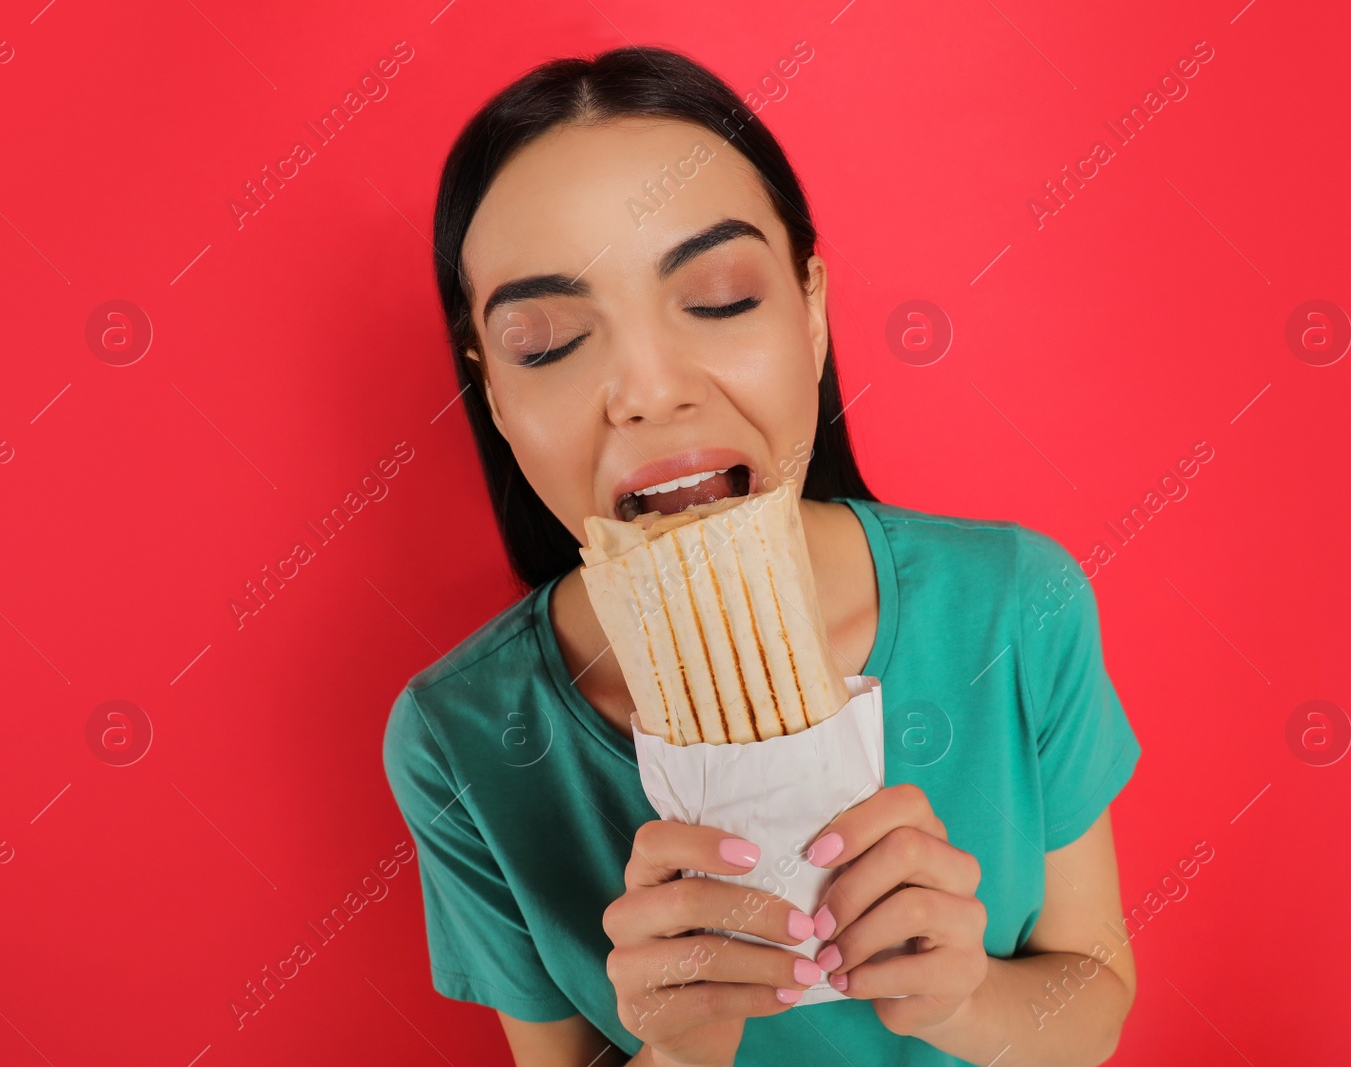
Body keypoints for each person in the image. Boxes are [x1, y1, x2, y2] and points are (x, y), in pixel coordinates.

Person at [383, 44, 1142, 1067]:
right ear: (494, 395)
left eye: (722, 295)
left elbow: (1094, 999)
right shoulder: (460, 735)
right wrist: (681, 1049)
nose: (648, 387)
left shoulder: (1016, 607)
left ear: (812, 310)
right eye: (551, 341)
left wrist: (964, 999)